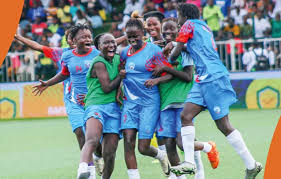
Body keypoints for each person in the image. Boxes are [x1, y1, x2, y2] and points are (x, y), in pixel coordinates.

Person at [168, 3, 262, 178]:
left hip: (213, 77)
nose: (178, 21)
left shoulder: (188, 25)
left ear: (185, 17)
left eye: (179, 16)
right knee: (185, 116)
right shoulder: (204, 27)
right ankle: (189, 163)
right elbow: (195, 48)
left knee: (223, 125)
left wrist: (170, 52)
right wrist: (175, 43)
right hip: (202, 78)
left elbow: (175, 54)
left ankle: (251, 164)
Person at [145, 17, 219, 179]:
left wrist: (164, 68)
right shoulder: (158, 49)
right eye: (166, 30)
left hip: (182, 100)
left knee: (182, 143)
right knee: (169, 144)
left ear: (179, 30)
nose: (168, 32)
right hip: (165, 102)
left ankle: (206, 149)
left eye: (172, 29)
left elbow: (187, 76)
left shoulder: (183, 50)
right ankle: (181, 177)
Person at [32, 24, 101, 178]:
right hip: (74, 102)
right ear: (73, 41)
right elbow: (64, 73)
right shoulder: (66, 56)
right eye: (83, 37)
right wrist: (48, 83)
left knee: (97, 143)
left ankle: (97, 158)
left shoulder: (98, 54)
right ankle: (88, 171)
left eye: (89, 36)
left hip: (94, 102)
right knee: (80, 133)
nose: (87, 39)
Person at [120, 18, 170, 179]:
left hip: (149, 103)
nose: (133, 39)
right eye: (129, 36)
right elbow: (119, 72)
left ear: (143, 33)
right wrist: (118, 89)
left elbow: (169, 73)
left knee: (143, 148)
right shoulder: (123, 53)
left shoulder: (154, 50)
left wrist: (156, 80)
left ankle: (162, 156)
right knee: (128, 142)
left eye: (135, 35)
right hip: (130, 103)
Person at [77, 33, 125, 179]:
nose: (111, 45)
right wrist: (120, 77)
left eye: (113, 42)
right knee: (92, 139)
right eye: (106, 43)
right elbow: (106, 87)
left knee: (110, 153)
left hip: (115, 109)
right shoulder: (98, 62)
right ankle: (82, 169)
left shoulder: (118, 58)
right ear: (98, 47)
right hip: (95, 105)